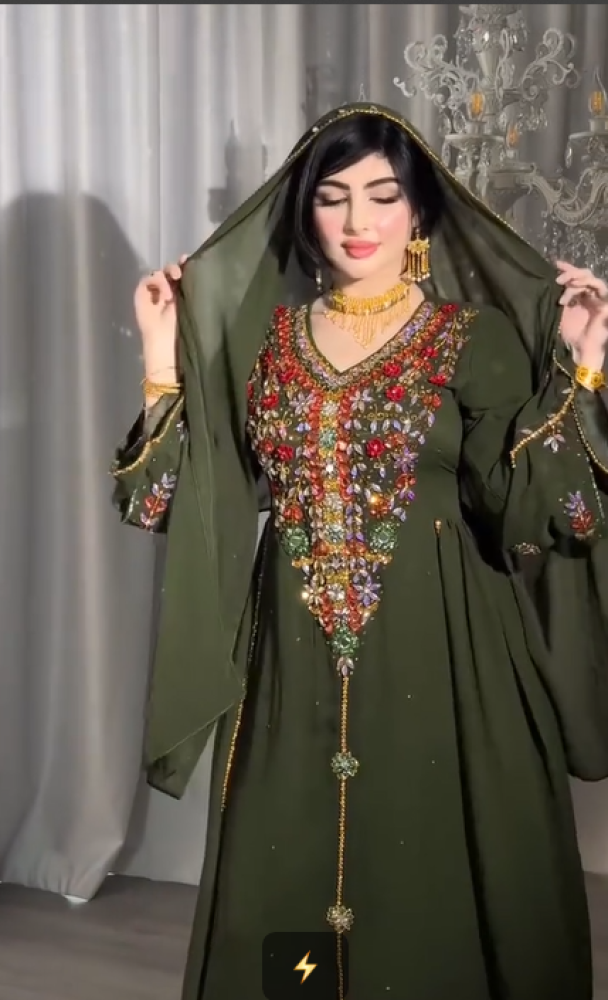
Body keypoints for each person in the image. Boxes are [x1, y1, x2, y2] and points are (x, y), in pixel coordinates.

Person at [111, 103, 608, 1000]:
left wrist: (578, 366)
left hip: (449, 660)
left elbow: (539, 509)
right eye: (333, 197)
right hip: (291, 664)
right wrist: (160, 356)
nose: (357, 221)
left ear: (418, 211)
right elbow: (169, 502)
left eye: (382, 196)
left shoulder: (471, 338)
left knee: (426, 881)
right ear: (305, 212)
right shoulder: (268, 345)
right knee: (291, 894)